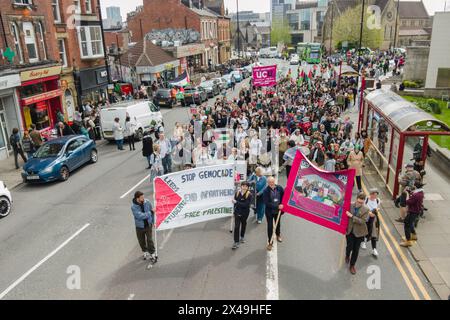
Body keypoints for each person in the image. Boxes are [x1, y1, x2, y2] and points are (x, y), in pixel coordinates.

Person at [345, 192, 370, 275]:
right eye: (359, 202)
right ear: (356, 199)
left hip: (359, 232)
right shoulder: (350, 205)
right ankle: (347, 255)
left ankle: (352, 265)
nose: (360, 204)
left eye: (362, 203)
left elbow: (363, 221)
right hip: (350, 230)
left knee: (356, 250)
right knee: (349, 246)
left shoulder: (366, 209)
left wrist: (352, 216)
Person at [131, 191, 156, 261]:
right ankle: (145, 251)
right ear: (137, 198)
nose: (143, 198)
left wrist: (154, 222)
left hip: (148, 225)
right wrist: (150, 212)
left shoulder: (147, 202)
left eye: (143, 197)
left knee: (149, 240)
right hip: (139, 227)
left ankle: (152, 253)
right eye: (142, 197)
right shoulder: (133, 207)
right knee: (141, 241)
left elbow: (153, 212)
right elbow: (140, 216)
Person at [400, 181, 424, 247]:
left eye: (414, 185)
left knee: (407, 224)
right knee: (410, 223)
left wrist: (407, 194)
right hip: (416, 211)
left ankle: (408, 241)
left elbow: (408, 202)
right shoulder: (420, 193)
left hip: (413, 212)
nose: (413, 186)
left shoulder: (416, 195)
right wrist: (410, 192)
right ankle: (414, 235)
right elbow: (414, 198)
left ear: (415, 186)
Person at [263, 176, 284, 251]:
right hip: (269, 212)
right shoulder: (265, 191)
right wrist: (277, 206)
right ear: (268, 183)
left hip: (278, 211)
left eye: (272, 182)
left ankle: (278, 235)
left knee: (278, 224)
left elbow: (284, 196)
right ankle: (270, 242)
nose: (271, 183)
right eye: (269, 182)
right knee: (270, 227)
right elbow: (266, 203)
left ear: (274, 181)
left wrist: (282, 204)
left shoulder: (279, 188)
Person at [232, 181, 253, 250]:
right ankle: (236, 242)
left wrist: (237, 202)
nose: (244, 187)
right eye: (243, 186)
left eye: (246, 186)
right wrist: (234, 211)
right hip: (237, 212)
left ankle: (242, 236)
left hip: (245, 213)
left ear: (248, 187)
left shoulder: (249, 195)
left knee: (243, 224)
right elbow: (234, 203)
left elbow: (246, 205)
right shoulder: (237, 193)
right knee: (237, 227)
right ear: (241, 186)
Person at [362, 189, 381, 257]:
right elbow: (363, 207)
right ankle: (363, 241)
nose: (374, 197)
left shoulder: (378, 200)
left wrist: (376, 210)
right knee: (365, 230)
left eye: (376, 195)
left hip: (374, 219)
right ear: (371, 194)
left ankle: (374, 249)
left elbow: (378, 208)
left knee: (374, 233)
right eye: (373, 195)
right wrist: (369, 212)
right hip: (365, 218)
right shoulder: (366, 199)